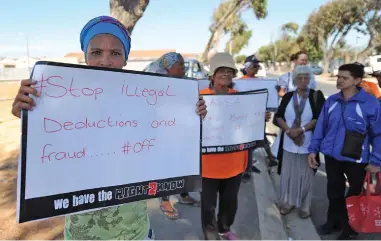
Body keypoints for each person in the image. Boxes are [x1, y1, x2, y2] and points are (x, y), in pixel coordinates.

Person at [11, 16, 207, 240]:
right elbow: (46, 157)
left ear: (125, 59)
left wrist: (192, 116)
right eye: (96, 52)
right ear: (85, 57)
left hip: (136, 231)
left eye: (115, 53)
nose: (105, 60)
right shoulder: (64, 103)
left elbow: (169, 140)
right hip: (80, 234)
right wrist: (28, 115)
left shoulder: (145, 101)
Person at [308, 63, 381, 240]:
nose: (339, 80)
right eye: (339, 77)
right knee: (333, 192)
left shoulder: (370, 103)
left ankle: (349, 228)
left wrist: (376, 161)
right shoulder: (332, 101)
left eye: (344, 78)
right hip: (332, 157)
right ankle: (332, 222)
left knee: (354, 195)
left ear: (357, 80)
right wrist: (313, 150)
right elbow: (321, 128)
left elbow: (378, 135)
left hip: (356, 159)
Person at [145, 52, 200, 220]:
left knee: (182, 165)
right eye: (180, 66)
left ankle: (183, 195)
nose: (184, 69)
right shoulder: (155, 85)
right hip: (162, 134)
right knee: (167, 168)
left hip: (180, 132)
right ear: (169, 68)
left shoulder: (182, 84)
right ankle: (165, 201)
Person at [200, 52, 247, 240]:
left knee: (230, 202)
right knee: (208, 205)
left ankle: (224, 228)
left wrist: (259, 116)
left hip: (235, 162)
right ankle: (210, 234)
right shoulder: (200, 97)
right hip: (208, 164)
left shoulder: (241, 97)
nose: (226, 74)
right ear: (212, 74)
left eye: (229, 71)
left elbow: (247, 122)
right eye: (221, 70)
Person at [273, 66, 325, 218]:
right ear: (294, 80)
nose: (303, 81)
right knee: (288, 175)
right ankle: (287, 203)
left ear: (310, 80)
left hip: (308, 144)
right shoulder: (288, 96)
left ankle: (305, 206)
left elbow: (319, 119)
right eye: (299, 78)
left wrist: (301, 130)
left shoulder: (316, 96)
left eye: (306, 78)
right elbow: (279, 116)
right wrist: (289, 131)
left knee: (305, 176)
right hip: (288, 142)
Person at [239, 55, 276, 181]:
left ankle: (248, 167)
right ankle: (245, 169)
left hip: (258, 121)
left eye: (258, 66)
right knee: (246, 145)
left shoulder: (261, 82)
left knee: (255, 142)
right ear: (247, 67)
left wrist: (266, 112)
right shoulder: (238, 83)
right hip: (243, 120)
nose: (257, 68)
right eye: (255, 66)